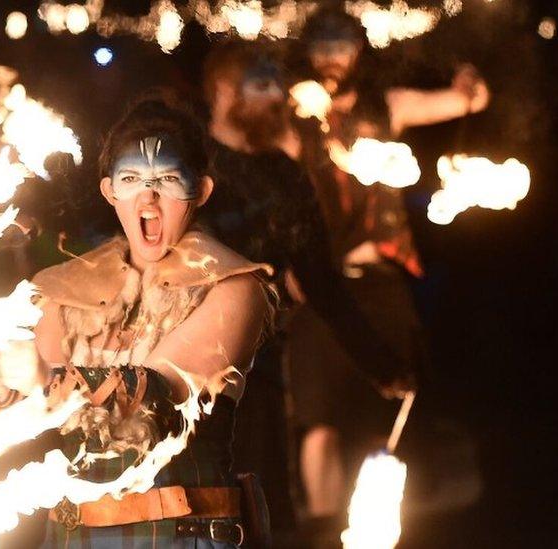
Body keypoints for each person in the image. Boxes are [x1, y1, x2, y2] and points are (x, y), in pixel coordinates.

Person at [30, 93, 273, 547]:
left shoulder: (234, 287)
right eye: (131, 178)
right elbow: (26, 398)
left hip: (182, 534)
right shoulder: (64, 291)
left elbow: (156, 393)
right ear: (109, 191)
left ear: (199, 190)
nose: (149, 197)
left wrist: (39, 377)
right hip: (75, 535)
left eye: (166, 178)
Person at [287, 8, 489, 541]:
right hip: (318, 289)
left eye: (342, 46)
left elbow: (468, 100)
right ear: (309, 54)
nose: (332, 58)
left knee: (390, 416)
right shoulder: (294, 116)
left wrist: (468, 84)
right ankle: (325, 533)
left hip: (379, 282)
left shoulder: (386, 107)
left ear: (359, 51)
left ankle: (375, 528)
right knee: (319, 424)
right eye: (322, 47)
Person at [200, 40, 415, 535]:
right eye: (262, 84)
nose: (277, 96)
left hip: (260, 379)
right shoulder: (188, 173)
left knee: (263, 511)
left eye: (277, 82)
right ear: (224, 91)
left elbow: (321, 280)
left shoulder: (284, 175)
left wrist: (381, 364)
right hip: (183, 381)